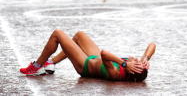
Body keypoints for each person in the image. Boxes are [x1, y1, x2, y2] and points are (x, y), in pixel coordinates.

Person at [20, 30, 156, 81]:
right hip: (95, 58)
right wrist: (145, 58)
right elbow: (152, 45)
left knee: (58, 34)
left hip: (84, 65)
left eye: (136, 61)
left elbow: (104, 54)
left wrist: (125, 63)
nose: (135, 58)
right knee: (79, 35)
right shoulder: (131, 67)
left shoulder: (116, 72)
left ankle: (37, 66)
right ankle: (51, 63)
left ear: (131, 69)